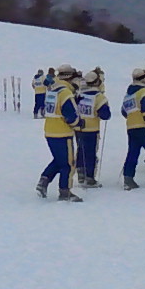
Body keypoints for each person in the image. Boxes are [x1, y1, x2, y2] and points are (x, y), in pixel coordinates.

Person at [35, 64, 84, 202]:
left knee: (60, 160)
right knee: (68, 163)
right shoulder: (65, 93)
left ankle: (44, 180)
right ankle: (65, 191)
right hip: (62, 132)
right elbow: (71, 116)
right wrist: (79, 123)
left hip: (50, 130)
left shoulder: (53, 90)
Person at [74, 71, 111, 188]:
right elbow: (105, 115)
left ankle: (80, 173)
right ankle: (89, 177)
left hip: (78, 128)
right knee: (90, 153)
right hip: (91, 129)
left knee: (80, 150)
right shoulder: (99, 97)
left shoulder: (79, 94)